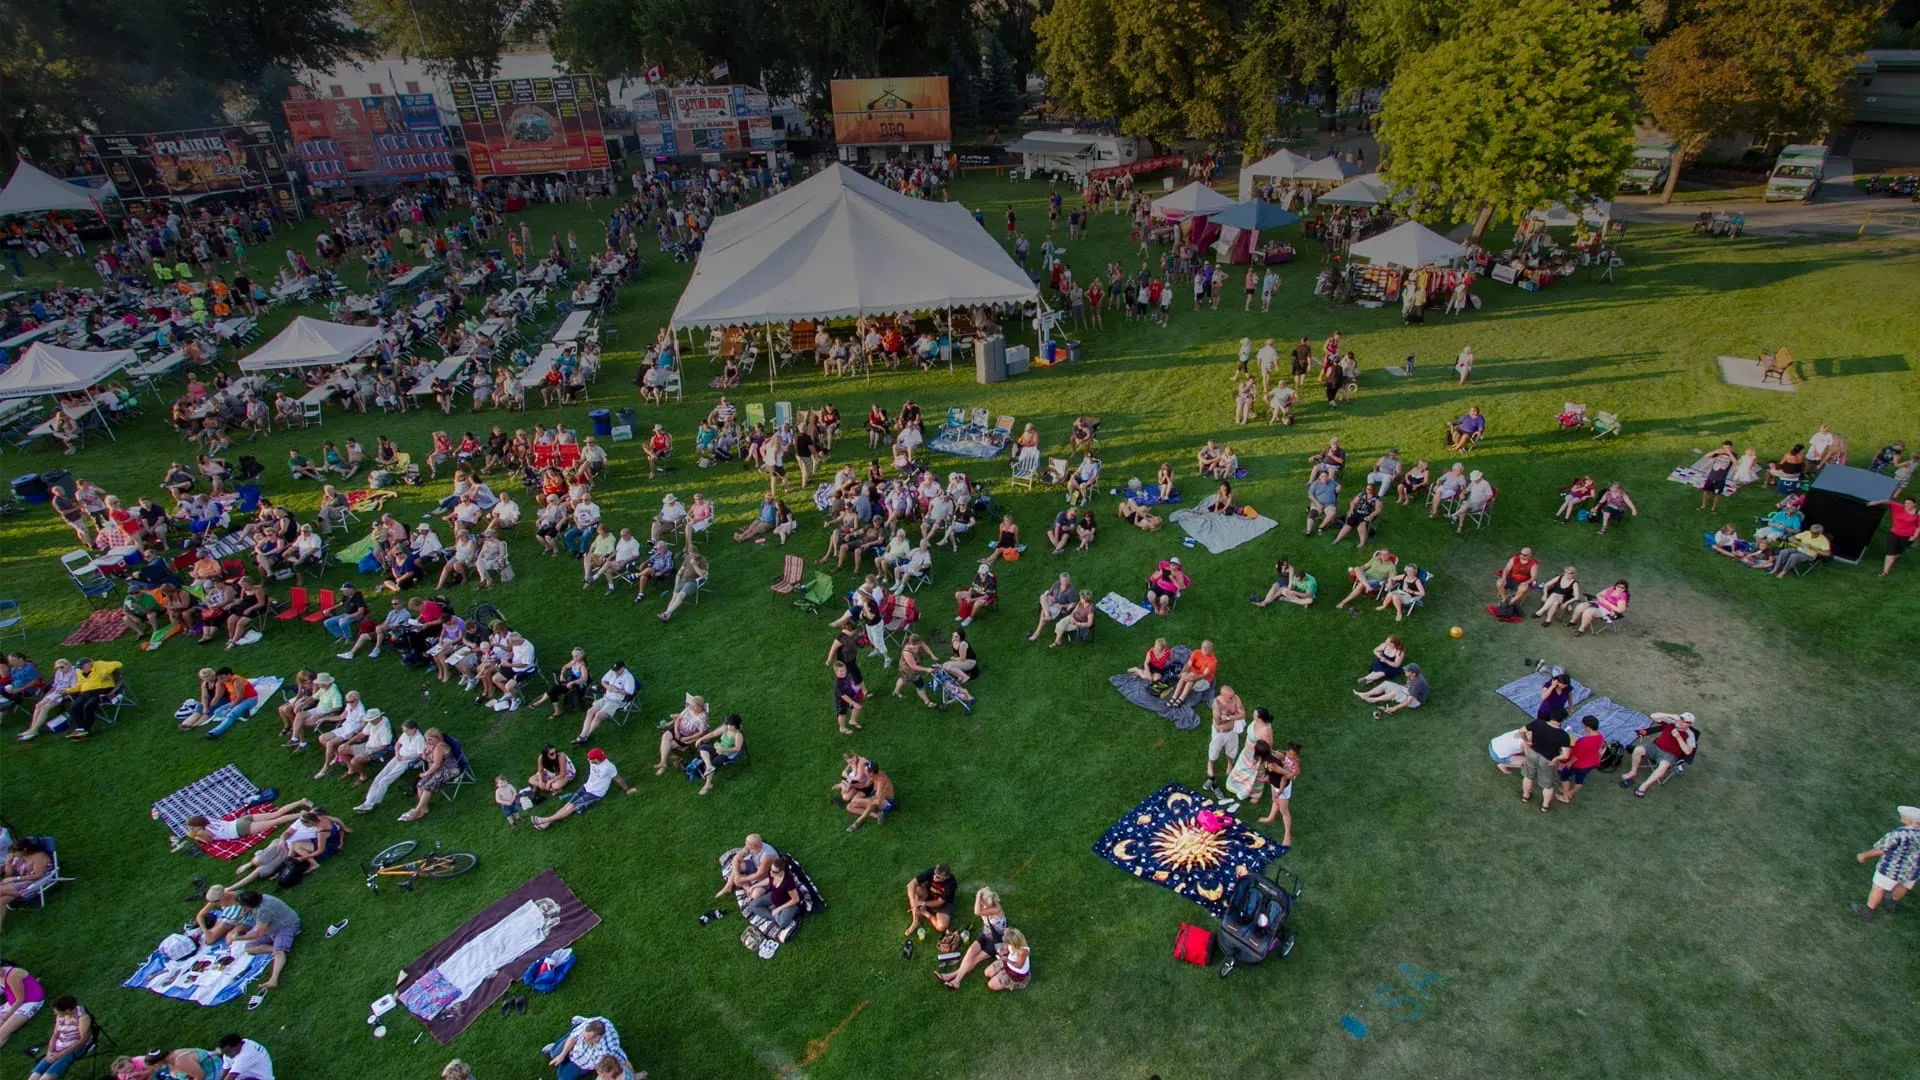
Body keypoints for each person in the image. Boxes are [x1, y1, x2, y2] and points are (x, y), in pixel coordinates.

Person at [533, 748, 637, 830]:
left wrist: (627, 789)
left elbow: (618, 779)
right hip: (586, 787)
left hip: (595, 793)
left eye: (590, 759)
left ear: (596, 759)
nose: (588, 760)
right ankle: (546, 823)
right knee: (568, 804)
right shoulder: (593, 762)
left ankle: (544, 820)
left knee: (572, 807)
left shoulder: (608, 767)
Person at [1851, 805, 1920, 922]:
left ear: (1910, 820)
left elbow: (1882, 849)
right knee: (1903, 886)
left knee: (1878, 888)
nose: (1901, 816)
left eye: (1904, 816)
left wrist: (1864, 855)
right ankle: (1891, 903)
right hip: (1913, 869)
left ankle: (1868, 912)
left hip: (1891, 868)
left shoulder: (1898, 834)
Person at [937, 887, 1008, 988]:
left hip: (996, 941)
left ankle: (956, 980)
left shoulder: (996, 909)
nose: (982, 906)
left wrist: (978, 895)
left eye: (983, 904)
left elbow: (976, 912)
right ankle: (951, 977)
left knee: (976, 958)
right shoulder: (986, 905)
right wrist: (980, 898)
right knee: (970, 952)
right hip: (985, 935)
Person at [1617, 711, 1696, 797]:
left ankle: (1644, 786)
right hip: (1655, 747)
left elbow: (1688, 751)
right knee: (1638, 749)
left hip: (1670, 755)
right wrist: (1670, 715)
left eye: (1684, 721)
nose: (1680, 721)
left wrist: (1678, 737)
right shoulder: (1671, 722)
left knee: (1664, 765)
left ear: (1689, 724)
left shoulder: (1690, 735)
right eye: (1680, 718)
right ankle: (1633, 772)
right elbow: (1653, 716)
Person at [233, 890, 299, 991]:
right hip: (270, 930)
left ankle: (274, 979)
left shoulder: (263, 911)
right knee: (248, 948)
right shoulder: (261, 899)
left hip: (285, 926)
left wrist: (237, 938)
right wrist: (242, 915)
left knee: (279, 951)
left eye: (243, 906)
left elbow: (258, 933)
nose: (242, 908)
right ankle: (276, 950)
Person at [28, 995, 91, 1078]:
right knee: (33, 1077)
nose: (55, 1013)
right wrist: (49, 1052)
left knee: (46, 1078)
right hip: (57, 1049)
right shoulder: (60, 1016)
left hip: (73, 1050)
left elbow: (83, 1040)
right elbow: (55, 1034)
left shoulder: (82, 1018)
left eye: (57, 1011)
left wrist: (60, 1054)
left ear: (67, 1011)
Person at [1520, 712, 1571, 812]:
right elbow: (1565, 755)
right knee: (1548, 785)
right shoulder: (1564, 735)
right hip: (1548, 760)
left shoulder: (1538, 723)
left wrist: (1526, 741)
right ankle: (1545, 806)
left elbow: (1521, 731)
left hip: (1532, 753)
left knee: (1528, 776)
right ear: (1562, 720)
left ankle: (1525, 796)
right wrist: (1556, 759)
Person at [575, 661, 637, 744]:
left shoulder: (628, 677)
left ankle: (586, 736)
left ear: (623, 668)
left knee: (598, 715)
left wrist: (617, 690)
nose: (615, 672)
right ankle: (582, 735)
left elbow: (629, 692)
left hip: (616, 701)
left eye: (617, 670)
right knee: (590, 711)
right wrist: (607, 686)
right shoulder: (612, 671)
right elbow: (602, 681)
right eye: (614, 670)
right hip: (606, 698)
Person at [546, 1017, 628, 1080]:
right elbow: (573, 1037)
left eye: (586, 1038)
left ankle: (562, 1059)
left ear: (597, 1038)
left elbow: (623, 1060)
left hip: (582, 1064)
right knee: (554, 1054)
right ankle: (578, 1023)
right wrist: (562, 1055)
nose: (583, 1039)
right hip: (575, 1048)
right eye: (584, 1036)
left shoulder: (610, 1048)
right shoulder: (589, 1025)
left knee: (562, 1078)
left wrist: (634, 1075)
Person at [1204, 685, 1246, 791]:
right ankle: (1210, 764)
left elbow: (1243, 715)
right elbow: (1218, 721)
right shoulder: (1216, 703)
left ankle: (1229, 764)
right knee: (1214, 751)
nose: (1232, 698)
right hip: (1220, 733)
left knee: (1232, 751)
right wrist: (1235, 717)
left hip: (1232, 731)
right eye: (1229, 697)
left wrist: (1229, 717)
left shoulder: (1235, 698)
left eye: (1232, 696)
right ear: (1222, 696)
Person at [1557, 716, 1605, 804]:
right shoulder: (1600, 736)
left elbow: (1577, 756)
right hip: (1592, 762)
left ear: (1588, 727)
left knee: (1564, 775)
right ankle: (1570, 793)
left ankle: (1565, 797)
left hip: (1580, 764)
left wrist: (1569, 763)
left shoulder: (1584, 741)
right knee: (1580, 780)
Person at [1868, 496, 1919, 576]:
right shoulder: (1898, 507)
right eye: (1905, 503)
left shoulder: (1917, 513)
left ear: (1914, 504)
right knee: (1891, 553)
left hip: (1907, 537)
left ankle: (1890, 563)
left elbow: (1918, 526)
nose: (1907, 505)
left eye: (1909, 503)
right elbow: (1887, 501)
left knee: (1897, 554)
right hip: (1894, 534)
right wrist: (1875, 503)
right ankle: (1885, 572)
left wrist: (1915, 536)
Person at [903, 864, 956, 941]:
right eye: (934, 874)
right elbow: (911, 884)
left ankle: (925, 913)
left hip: (943, 904)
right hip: (929, 893)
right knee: (915, 889)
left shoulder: (951, 884)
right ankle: (915, 921)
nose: (934, 877)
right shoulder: (932, 871)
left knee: (941, 926)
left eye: (938, 877)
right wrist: (913, 901)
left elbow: (939, 903)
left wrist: (920, 903)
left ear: (946, 877)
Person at [716, 834, 779, 898]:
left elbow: (759, 874)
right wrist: (737, 876)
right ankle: (729, 885)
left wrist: (742, 879)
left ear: (753, 846)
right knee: (738, 866)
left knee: (755, 895)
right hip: (756, 865)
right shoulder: (752, 846)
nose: (745, 844)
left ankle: (747, 887)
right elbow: (736, 859)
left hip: (768, 875)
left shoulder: (767, 856)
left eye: (747, 843)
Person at [1357, 662, 1428, 716]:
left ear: (1413, 673)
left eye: (1407, 670)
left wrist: (1395, 708)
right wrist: (1399, 686)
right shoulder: (1411, 676)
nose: (1405, 671)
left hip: (1416, 701)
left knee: (1395, 693)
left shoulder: (1417, 683)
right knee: (1386, 683)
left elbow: (1409, 701)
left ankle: (1372, 700)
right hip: (1408, 690)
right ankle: (1366, 694)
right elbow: (1407, 685)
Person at [1328, 483, 1383, 547]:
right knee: (1348, 524)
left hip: (1368, 514)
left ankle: (1362, 543)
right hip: (1357, 512)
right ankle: (1337, 539)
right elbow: (1353, 502)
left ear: (1374, 490)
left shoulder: (1377, 499)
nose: (1367, 490)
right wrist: (1351, 510)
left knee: (1361, 526)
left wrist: (1371, 516)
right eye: (1367, 488)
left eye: (1369, 489)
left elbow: (1378, 510)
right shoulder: (1362, 494)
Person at [1026, 573, 1077, 642]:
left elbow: (1073, 604)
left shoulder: (1071, 590)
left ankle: (1036, 633)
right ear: (1060, 580)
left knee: (1043, 611)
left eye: (1066, 580)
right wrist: (1050, 597)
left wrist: (1062, 606)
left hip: (1058, 607)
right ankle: (1048, 616)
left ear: (1069, 580)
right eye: (1063, 580)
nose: (1065, 582)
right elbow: (1049, 592)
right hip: (1051, 601)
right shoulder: (1057, 584)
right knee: (1042, 596)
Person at [1167, 640, 1217, 707]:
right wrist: (1183, 672)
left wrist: (1193, 678)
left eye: (1207, 648)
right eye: (1203, 647)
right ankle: (1174, 697)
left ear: (1211, 649)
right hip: (1191, 674)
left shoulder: (1213, 661)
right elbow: (1188, 665)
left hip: (1204, 680)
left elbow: (1204, 675)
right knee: (1185, 675)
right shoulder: (1196, 652)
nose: (1204, 649)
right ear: (1201, 647)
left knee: (1191, 678)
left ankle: (1181, 698)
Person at [1251, 558, 1316, 608]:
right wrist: (1291, 589)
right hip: (1281, 583)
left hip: (1294, 588)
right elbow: (1293, 583)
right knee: (1276, 588)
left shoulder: (1310, 583)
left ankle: (1288, 600)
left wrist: (1292, 590)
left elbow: (1307, 594)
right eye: (1284, 564)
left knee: (1310, 600)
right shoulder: (1279, 567)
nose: (1286, 565)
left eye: (1286, 564)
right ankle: (1265, 602)